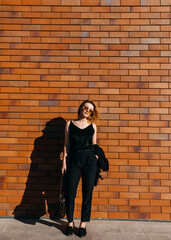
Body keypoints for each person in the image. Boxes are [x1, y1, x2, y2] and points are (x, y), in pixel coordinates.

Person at [62, 100, 99, 237]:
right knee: (70, 193)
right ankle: (70, 222)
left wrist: (96, 159)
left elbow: (94, 145)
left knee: (87, 193)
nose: (87, 111)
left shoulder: (93, 126)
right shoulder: (69, 124)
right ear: (81, 107)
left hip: (89, 161)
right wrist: (64, 163)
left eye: (90, 110)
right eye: (86, 107)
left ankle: (83, 224)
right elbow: (66, 144)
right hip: (74, 160)